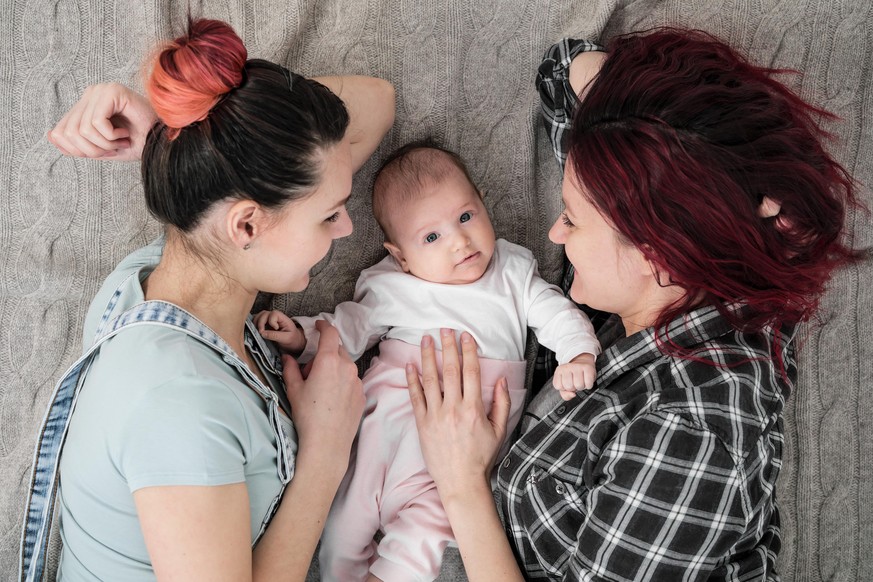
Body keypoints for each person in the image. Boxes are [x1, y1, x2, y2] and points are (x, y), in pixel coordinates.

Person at [405, 28, 861, 581]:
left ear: (653, 251)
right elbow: (561, 71)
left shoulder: (689, 437)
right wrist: (658, 132)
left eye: (571, 219)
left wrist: (461, 485)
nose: (553, 234)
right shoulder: (694, 268)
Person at [24, 17, 395, 581]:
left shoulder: (146, 276)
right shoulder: (178, 405)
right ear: (245, 225)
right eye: (327, 215)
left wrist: (180, 136)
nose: (346, 229)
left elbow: (377, 102)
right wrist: (324, 455)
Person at [253, 143, 600, 581]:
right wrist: (303, 336)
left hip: (461, 450)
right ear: (400, 255)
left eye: (466, 216)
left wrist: (578, 352)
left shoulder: (512, 272)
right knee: (342, 526)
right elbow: (348, 329)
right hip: (381, 432)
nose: (459, 241)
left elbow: (557, 314)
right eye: (431, 237)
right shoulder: (391, 284)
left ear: (483, 205)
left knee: (427, 533)